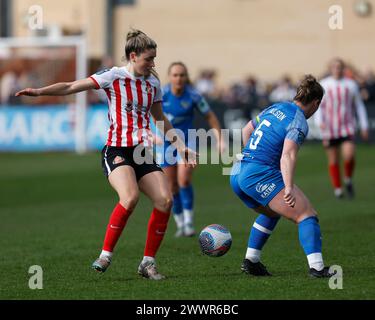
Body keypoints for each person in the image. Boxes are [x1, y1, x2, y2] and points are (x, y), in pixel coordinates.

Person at [15, 29, 197, 280]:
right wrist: (39, 92)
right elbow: (70, 86)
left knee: (165, 200)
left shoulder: (153, 83)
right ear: (133, 56)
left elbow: (160, 119)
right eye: (149, 59)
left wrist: (181, 146)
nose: (153, 64)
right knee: (130, 196)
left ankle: (147, 263)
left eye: (154, 58)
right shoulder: (113, 76)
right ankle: (106, 254)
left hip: (142, 153)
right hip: (116, 150)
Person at [230, 75, 335, 278]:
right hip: (258, 174)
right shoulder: (299, 121)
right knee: (306, 215)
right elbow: (288, 154)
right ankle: (317, 267)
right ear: (315, 103)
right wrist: (287, 186)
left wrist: (249, 158)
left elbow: (246, 130)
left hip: (237, 173)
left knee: (271, 212)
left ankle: (251, 261)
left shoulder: (276, 107)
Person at [152, 62, 225, 237]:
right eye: (175, 75)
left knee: (184, 180)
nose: (179, 78)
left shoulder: (193, 96)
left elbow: (210, 116)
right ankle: (180, 224)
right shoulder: (161, 95)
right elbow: (151, 115)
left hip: (188, 143)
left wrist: (220, 138)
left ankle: (189, 221)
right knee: (171, 187)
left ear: (186, 77)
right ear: (169, 77)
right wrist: (152, 134)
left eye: (182, 75)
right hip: (167, 144)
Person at [315, 58, 369, 199]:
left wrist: (364, 126)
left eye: (339, 67)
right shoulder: (324, 84)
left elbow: (358, 106)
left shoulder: (351, 84)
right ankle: (338, 189)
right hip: (330, 128)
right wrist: (320, 121)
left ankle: (348, 179)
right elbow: (319, 106)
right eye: (334, 67)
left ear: (343, 69)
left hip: (347, 126)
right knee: (333, 160)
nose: (337, 69)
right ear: (330, 69)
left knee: (349, 155)